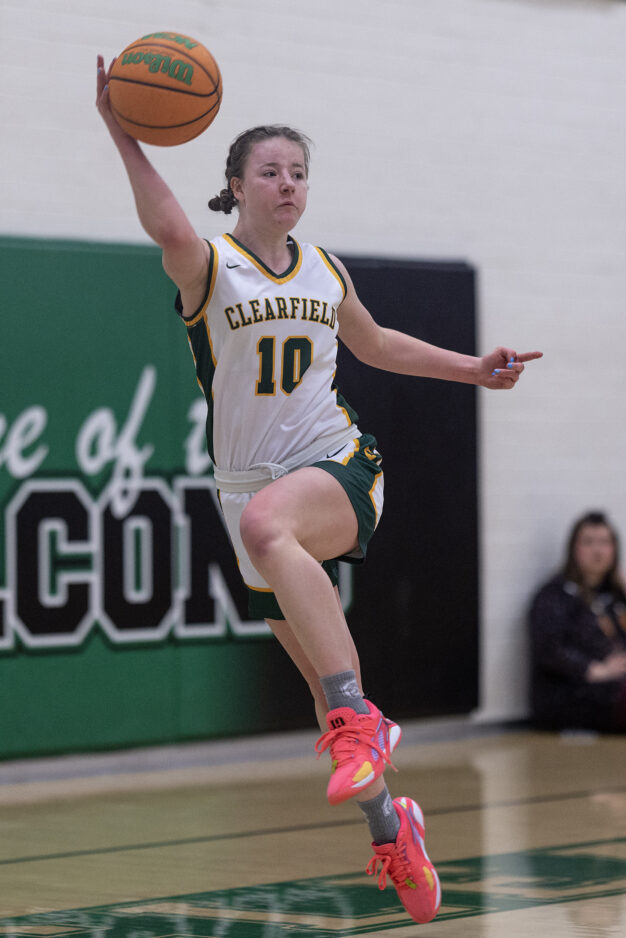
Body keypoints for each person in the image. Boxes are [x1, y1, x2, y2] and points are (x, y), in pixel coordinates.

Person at [96, 55, 542, 924]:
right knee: (313, 671)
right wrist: (124, 132)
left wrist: (473, 369)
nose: (288, 184)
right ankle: (393, 827)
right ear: (237, 186)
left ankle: (359, 718)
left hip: (337, 464)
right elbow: (167, 223)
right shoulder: (209, 266)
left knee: (274, 534)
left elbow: (374, 346)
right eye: (270, 171)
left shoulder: (325, 270)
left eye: (299, 172)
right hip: (245, 490)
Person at [529, 512, 626, 733]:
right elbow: (549, 649)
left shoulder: (615, 595)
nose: (598, 551)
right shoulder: (554, 595)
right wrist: (595, 669)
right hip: (572, 693)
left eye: (604, 542)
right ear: (574, 548)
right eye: (589, 542)